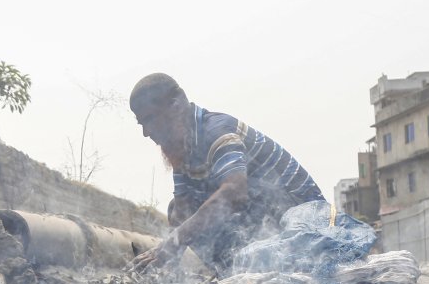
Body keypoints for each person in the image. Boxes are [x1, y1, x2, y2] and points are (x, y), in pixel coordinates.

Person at [129, 73, 326, 270]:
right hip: (262, 217)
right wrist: (165, 260)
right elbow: (182, 209)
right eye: (142, 124)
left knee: (229, 200)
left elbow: (234, 193)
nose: (147, 132)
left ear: (176, 104)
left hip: (304, 221)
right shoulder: (183, 149)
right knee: (177, 210)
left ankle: (261, 272)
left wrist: (173, 243)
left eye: (150, 119)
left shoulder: (217, 131)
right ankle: (236, 277)